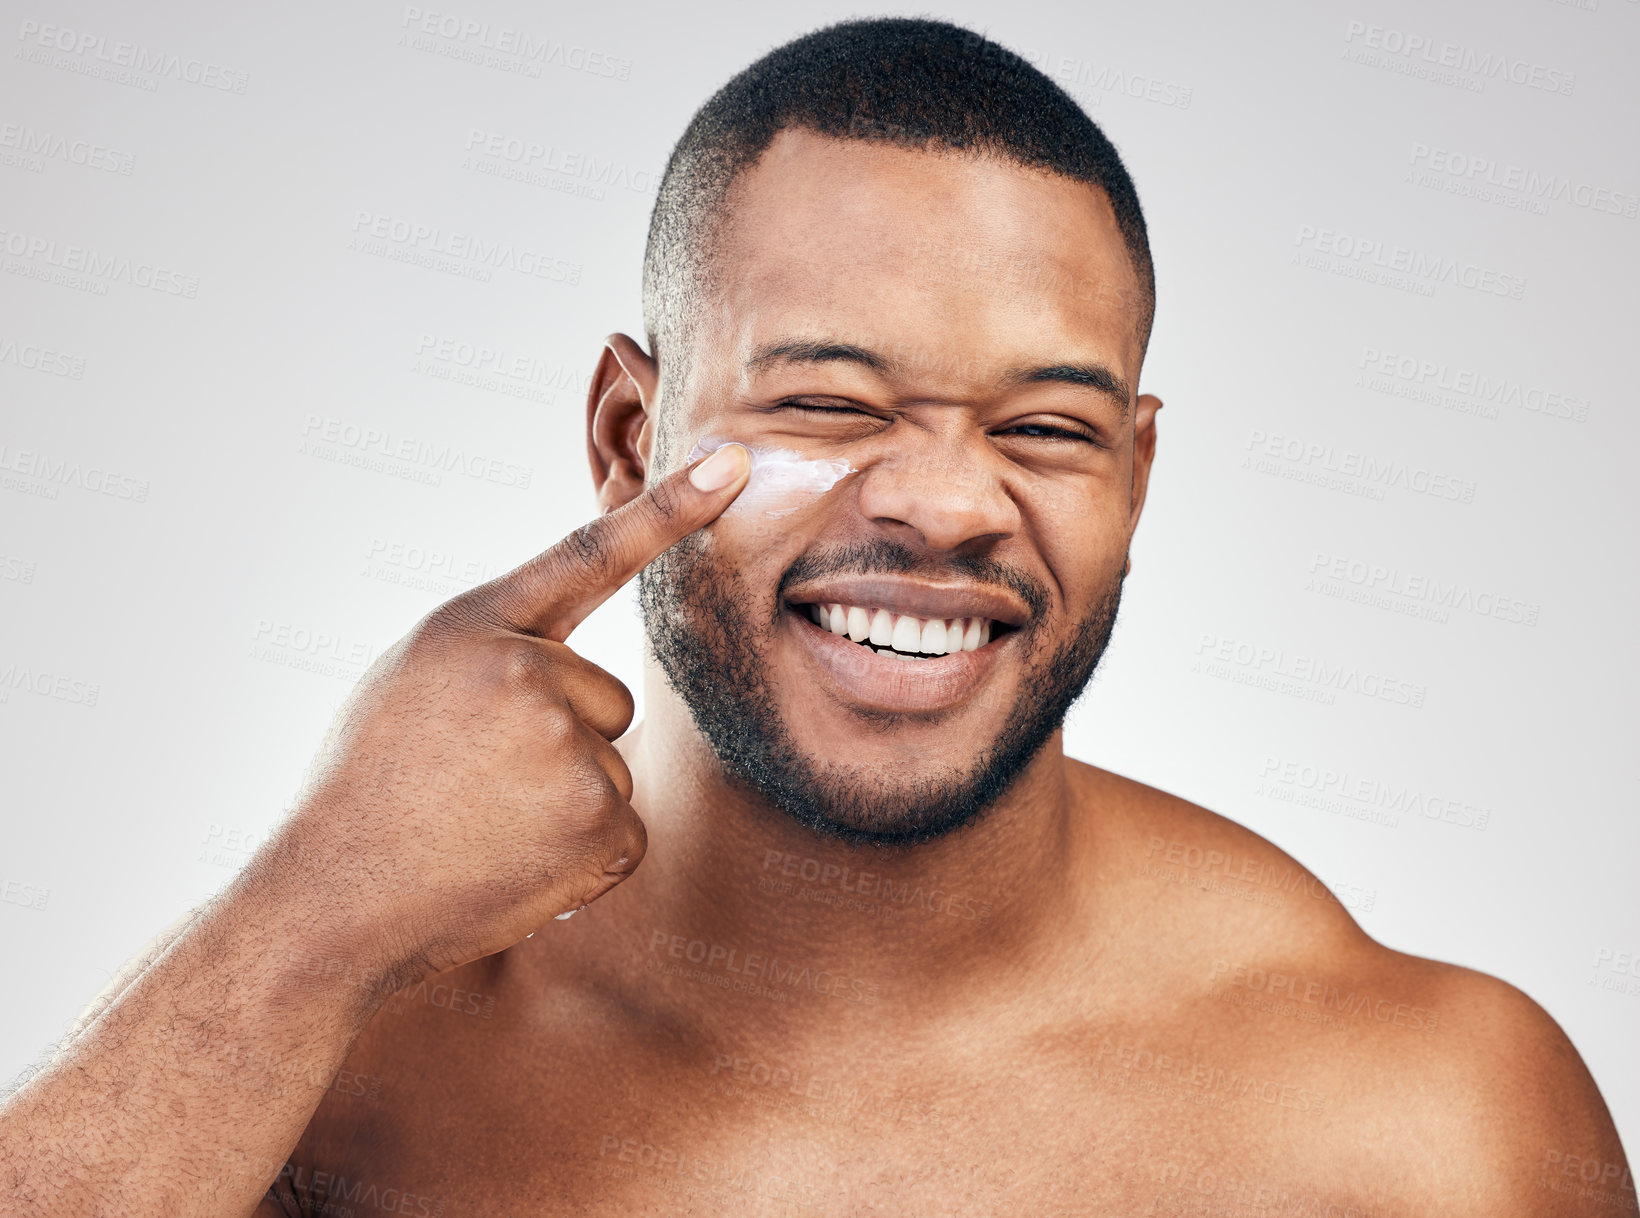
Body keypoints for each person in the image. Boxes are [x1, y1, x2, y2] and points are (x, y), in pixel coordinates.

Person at [1, 17, 1628, 1216]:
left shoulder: (1421, 1116)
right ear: (629, 437)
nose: (944, 503)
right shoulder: (339, 1058)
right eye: (831, 404)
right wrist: (303, 922)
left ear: (1136, 473)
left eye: (1046, 429)